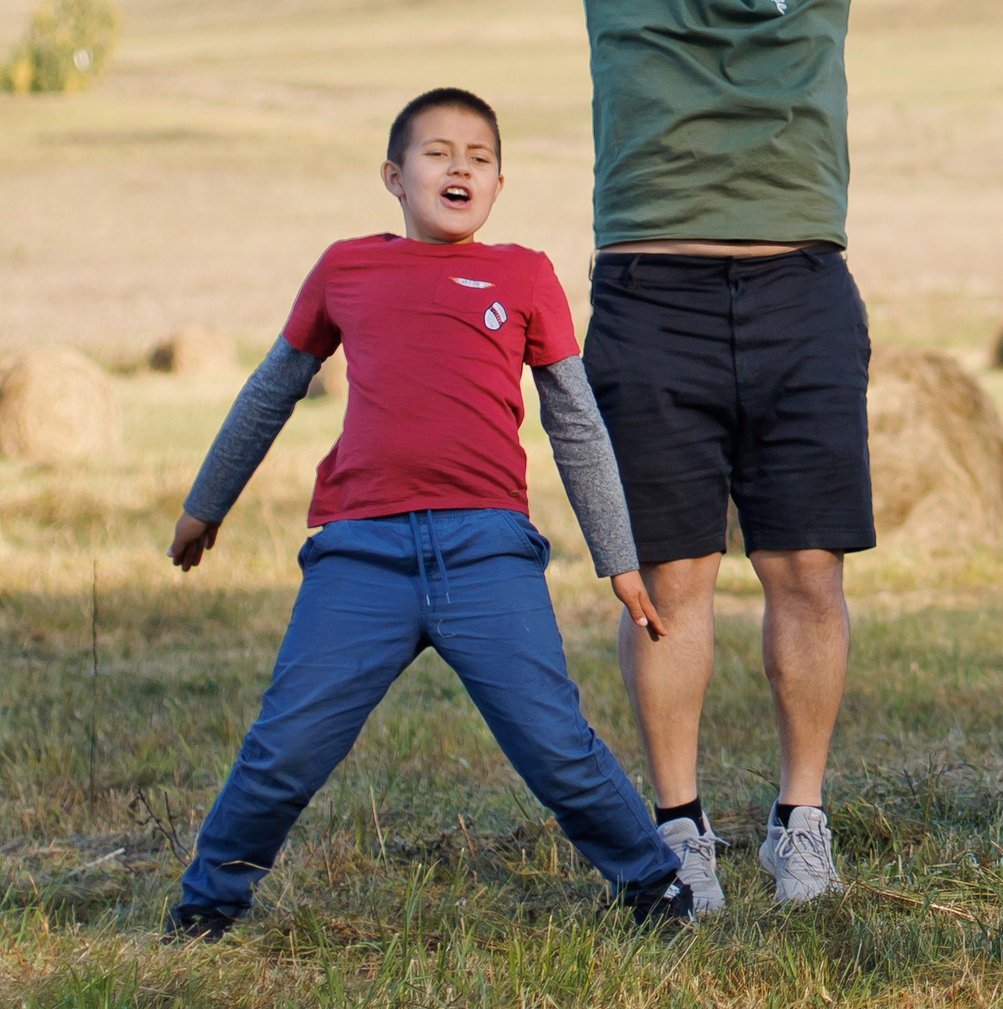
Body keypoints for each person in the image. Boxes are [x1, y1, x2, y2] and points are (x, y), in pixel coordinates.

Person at [494, 0, 1003, 909]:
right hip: (650, 303)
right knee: (667, 578)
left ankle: (800, 816)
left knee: (808, 575)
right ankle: (679, 827)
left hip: (799, 296)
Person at [161, 88, 688, 941]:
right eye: (438, 152)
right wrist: (205, 502)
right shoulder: (346, 268)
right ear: (394, 176)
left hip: (487, 556)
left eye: (479, 156)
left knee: (557, 745)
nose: (460, 167)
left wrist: (618, 559)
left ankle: (654, 883)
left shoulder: (523, 275)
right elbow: (272, 388)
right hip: (360, 557)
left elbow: (576, 422)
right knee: (283, 750)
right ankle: (206, 902)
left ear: (500, 182)